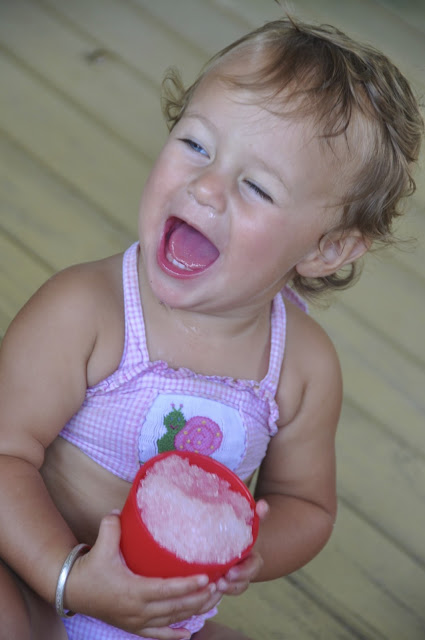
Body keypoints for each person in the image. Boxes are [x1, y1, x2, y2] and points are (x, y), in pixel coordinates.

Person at [0, 15, 422, 640]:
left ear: (326, 249)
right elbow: (5, 454)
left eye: (256, 187)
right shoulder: (86, 310)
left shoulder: (300, 367)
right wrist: (69, 578)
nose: (205, 187)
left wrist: (251, 550)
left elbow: (306, 505)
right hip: (32, 581)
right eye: (196, 145)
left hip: (162, 624)